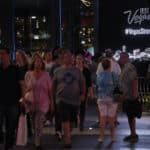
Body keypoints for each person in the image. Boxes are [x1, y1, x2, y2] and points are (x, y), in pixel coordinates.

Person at [53, 50, 86, 148]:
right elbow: (53, 85)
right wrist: (53, 98)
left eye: (71, 57)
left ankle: (67, 133)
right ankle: (68, 140)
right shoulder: (58, 71)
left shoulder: (77, 71)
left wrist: (83, 93)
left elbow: (82, 83)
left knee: (72, 122)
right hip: (62, 99)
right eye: (67, 57)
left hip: (75, 101)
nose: (70, 58)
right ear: (63, 59)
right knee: (65, 120)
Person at [24, 56, 54, 149]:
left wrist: (52, 103)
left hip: (43, 102)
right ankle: (38, 137)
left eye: (40, 62)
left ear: (42, 64)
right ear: (33, 63)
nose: (38, 63)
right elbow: (24, 88)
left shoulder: (46, 75)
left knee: (39, 122)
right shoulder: (28, 74)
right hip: (31, 102)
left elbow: (50, 90)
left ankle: (37, 142)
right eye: (36, 62)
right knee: (33, 123)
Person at [0, 47, 23, 150]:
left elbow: (22, 85)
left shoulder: (15, 69)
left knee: (11, 126)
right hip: (0, 102)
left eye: (3, 54)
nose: (1, 56)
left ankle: (8, 146)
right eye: (0, 54)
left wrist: (23, 99)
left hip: (13, 102)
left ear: (8, 55)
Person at [97, 58, 118, 143]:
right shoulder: (114, 75)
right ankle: (112, 137)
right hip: (112, 99)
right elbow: (118, 86)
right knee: (111, 119)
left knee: (102, 119)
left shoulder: (99, 75)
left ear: (102, 66)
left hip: (101, 98)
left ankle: (101, 137)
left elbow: (97, 85)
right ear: (110, 65)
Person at [119, 52, 139, 142]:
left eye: (121, 58)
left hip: (131, 96)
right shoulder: (125, 67)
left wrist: (134, 94)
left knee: (131, 116)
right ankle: (132, 134)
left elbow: (134, 80)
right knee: (130, 116)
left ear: (125, 58)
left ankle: (133, 134)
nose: (120, 59)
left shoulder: (129, 67)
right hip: (127, 96)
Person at [75, 54, 92, 131]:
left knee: (82, 108)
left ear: (82, 60)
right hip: (73, 91)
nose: (78, 60)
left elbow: (89, 83)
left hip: (83, 91)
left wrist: (90, 92)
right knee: (74, 107)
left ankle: (81, 123)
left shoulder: (86, 70)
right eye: (77, 58)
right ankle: (75, 121)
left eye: (80, 59)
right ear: (75, 60)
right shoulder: (72, 69)